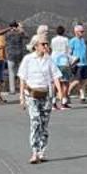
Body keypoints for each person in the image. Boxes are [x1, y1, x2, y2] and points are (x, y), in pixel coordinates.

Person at [18, 31, 57, 164]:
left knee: (44, 124)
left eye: (47, 44)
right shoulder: (28, 59)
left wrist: (60, 95)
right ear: (35, 46)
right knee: (35, 121)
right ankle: (34, 152)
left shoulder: (49, 60)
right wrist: (22, 97)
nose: (46, 46)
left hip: (46, 95)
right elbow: (22, 79)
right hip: (32, 95)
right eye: (43, 44)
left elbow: (55, 76)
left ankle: (42, 151)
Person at [50, 25, 72, 108]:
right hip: (64, 62)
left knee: (55, 83)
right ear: (63, 32)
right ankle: (63, 101)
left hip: (54, 62)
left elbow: (52, 49)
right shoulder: (66, 40)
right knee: (65, 82)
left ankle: (53, 102)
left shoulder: (53, 40)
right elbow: (69, 51)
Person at [68, 23, 87, 102]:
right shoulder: (72, 41)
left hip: (84, 63)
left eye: (83, 31)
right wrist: (71, 62)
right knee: (77, 80)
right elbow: (69, 52)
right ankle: (67, 92)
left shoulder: (83, 40)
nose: (83, 33)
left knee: (85, 80)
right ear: (76, 32)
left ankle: (82, 96)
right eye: (81, 31)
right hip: (77, 64)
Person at [4, 21, 25, 96]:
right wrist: (21, 28)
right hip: (19, 55)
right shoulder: (20, 33)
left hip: (10, 55)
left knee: (11, 72)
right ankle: (22, 88)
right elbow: (26, 36)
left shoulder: (7, 34)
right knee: (21, 72)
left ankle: (12, 90)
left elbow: (5, 42)